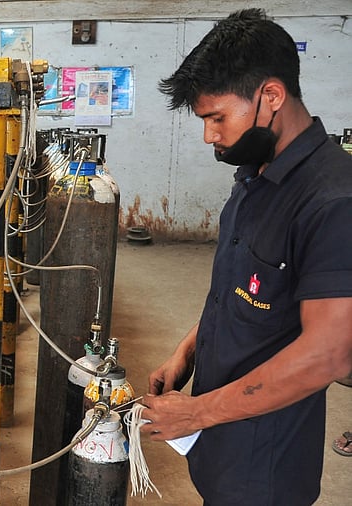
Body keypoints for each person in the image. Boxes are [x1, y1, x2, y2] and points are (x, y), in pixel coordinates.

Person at [141, 9, 352, 505]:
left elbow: (329, 353)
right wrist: (187, 351)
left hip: (268, 466)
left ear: (271, 96)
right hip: (222, 443)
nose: (209, 135)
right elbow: (240, 290)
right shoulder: (255, 177)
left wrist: (195, 413)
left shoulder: (333, 201)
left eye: (218, 118)